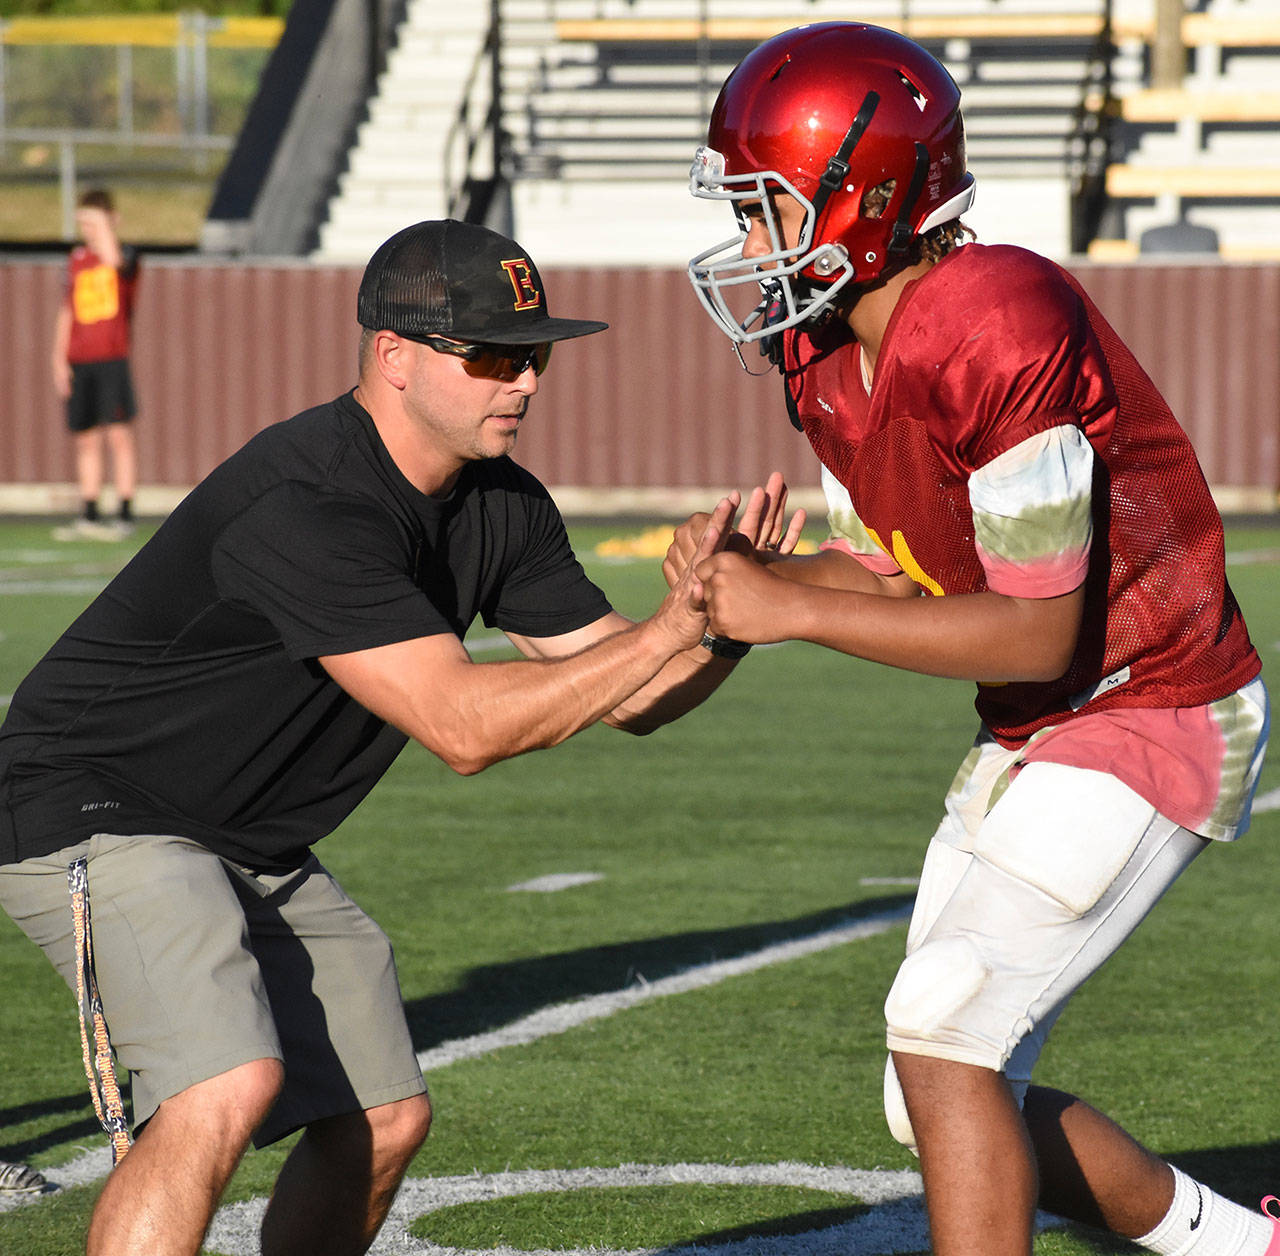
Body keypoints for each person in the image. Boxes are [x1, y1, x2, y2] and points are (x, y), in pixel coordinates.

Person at [0, 218, 799, 1256]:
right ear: (393, 356)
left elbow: (630, 688)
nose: (524, 381)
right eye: (492, 355)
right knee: (223, 1081)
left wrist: (720, 619)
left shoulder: (499, 502)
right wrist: (669, 625)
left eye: (536, 353)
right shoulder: (309, 500)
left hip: (241, 833)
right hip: (96, 803)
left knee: (382, 1117)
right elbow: (462, 727)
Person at [675, 22, 1275, 1256]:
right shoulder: (826, 349)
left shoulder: (994, 317)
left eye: (766, 208)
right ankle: (1237, 1245)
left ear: (868, 198)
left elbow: (1035, 626)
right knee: (934, 1091)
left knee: (944, 1022)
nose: (745, 244)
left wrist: (788, 611)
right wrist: (760, 577)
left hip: (1149, 699)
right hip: (1044, 719)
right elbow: (906, 574)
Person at [50, 187, 140, 541]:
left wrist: (105, 227)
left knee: (118, 435)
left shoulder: (122, 255)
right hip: (81, 360)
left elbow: (116, 261)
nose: (86, 228)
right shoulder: (77, 260)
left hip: (112, 359)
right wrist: (58, 359)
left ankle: (125, 511)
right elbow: (67, 311)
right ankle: (88, 512)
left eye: (92, 221)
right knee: (85, 439)